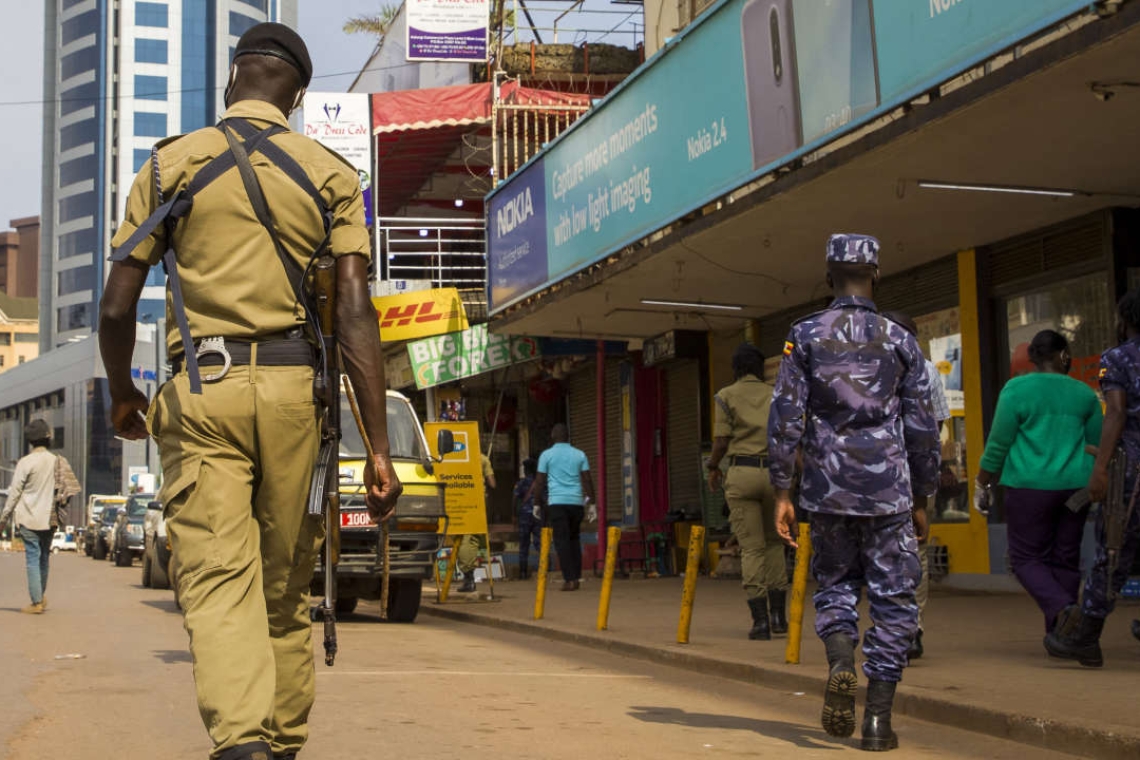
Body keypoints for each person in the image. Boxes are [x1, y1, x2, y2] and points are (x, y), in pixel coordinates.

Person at [98, 23, 401, 760]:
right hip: (300, 398)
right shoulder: (329, 175)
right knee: (287, 588)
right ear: (296, 99)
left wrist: (123, 398)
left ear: (233, 80)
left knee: (217, 579)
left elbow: (115, 306)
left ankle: (242, 743)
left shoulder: (172, 165)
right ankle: (282, 743)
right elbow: (355, 311)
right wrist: (380, 451)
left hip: (203, 394)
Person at [769, 234, 940, 753]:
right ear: (876, 275)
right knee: (894, 600)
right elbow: (922, 426)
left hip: (826, 489)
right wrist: (923, 496)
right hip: (889, 489)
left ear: (828, 277)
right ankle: (878, 724)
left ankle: (842, 659)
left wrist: (782, 489)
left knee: (836, 585)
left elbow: (785, 418)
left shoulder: (803, 336)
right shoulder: (898, 339)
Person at [974, 330, 1101, 637]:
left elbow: (998, 443)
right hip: (1076, 489)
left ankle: (1061, 609)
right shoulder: (1085, 394)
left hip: (1030, 488)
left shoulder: (1016, 390)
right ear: (1063, 356)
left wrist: (982, 483)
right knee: (1066, 559)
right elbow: (1096, 445)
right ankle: (1063, 635)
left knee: (1025, 558)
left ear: (1032, 357)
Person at [1046, 290, 1140, 667]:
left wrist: (1099, 468)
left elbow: (1115, 413)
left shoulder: (1116, 359)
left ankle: (1086, 637)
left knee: (1113, 549)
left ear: (1123, 320)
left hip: (1132, 470)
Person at [706, 343, 788, 640]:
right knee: (774, 543)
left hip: (742, 474)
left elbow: (721, 441)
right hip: (775, 475)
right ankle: (780, 617)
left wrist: (713, 466)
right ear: (760, 368)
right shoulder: (776, 394)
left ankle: (761, 621)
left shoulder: (726, 396)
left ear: (736, 369)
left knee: (752, 548)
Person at [884, 310, 951, 660]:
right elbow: (935, 427)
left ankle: (898, 628)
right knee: (915, 551)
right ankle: (911, 628)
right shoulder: (925, 368)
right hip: (915, 473)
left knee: (886, 550)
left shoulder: (868, 365)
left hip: (879, 475)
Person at [0, 420, 61, 615]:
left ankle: (36, 602)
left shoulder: (25, 463)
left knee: (33, 559)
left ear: (30, 441)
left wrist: (3, 518)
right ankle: (40, 597)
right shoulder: (56, 461)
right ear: (48, 438)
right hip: (50, 518)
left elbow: (14, 493)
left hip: (28, 519)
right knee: (44, 558)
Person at [531, 423, 595, 591]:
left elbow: (539, 481)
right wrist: (592, 503)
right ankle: (576, 576)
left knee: (561, 541)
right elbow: (587, 479)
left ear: (553, 436)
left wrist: (537, 503)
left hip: (557, 503)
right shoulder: (580, 454)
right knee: (574, 539)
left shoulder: (547, 455)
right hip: (576, 503)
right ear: (568, 436)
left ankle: (570, 579)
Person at [456, 450, 497, 592]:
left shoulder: (458, 459)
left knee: (464, 538)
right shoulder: (483, 459)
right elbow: (492, 484)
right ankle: (469, 577)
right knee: (472, 538)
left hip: (460, 498)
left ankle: (469, 578)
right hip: (479, 501)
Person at [515, 458, 541, 580]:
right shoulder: (541, 483)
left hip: (524, 517)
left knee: (523, 545)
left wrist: (514, 515)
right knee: (540, 543)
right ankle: (545, 568)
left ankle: (523, 573)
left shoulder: (521, 483)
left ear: (526, 470)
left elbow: (515, 499)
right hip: (538, 516)